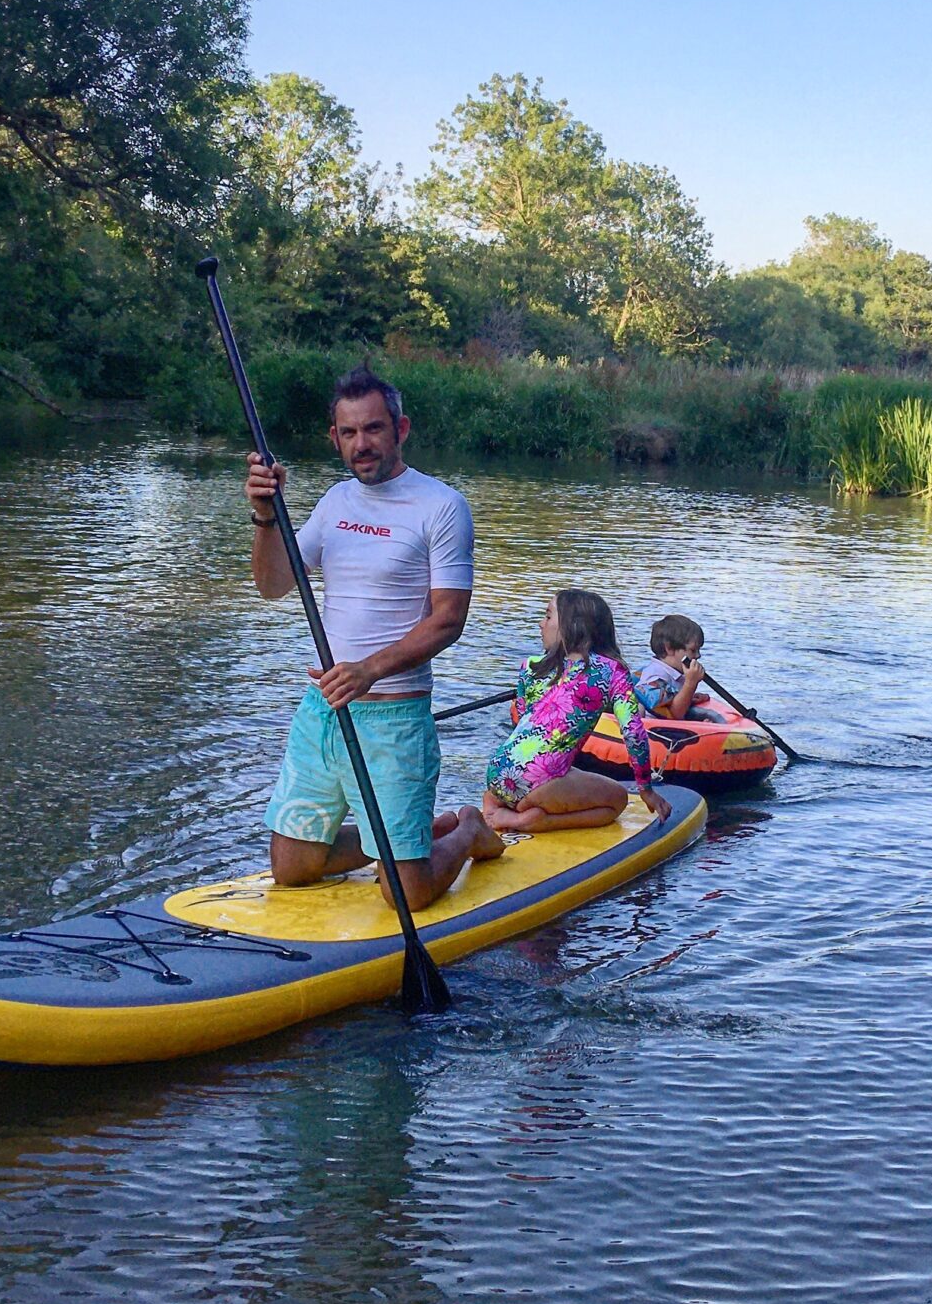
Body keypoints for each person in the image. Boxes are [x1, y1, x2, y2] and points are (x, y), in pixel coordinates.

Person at [246, 365, 503, 909]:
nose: (361, 444)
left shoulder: (441, 506)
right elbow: (272, 585)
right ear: (333, 438)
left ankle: (466, 831)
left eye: (374, 429)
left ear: (401, 429)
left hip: (394, 720)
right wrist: (266, 517)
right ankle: (402, 838)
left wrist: (369, 670)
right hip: (323, 714)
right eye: (348, 433)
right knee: (292, 870)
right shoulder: (335, 503)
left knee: (405, 898)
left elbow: (448, 619)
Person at [460, 588, 666, 834]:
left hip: (498, 770)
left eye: (548, 617)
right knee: (618, 800)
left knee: (563, 769)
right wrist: (646, 789)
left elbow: (523, 719)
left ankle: (498, 800)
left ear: (572, 626)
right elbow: (633, 732)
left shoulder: (531, 666)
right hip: (538, 781)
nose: (540, 624)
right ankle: (531, 820)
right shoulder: (612, 672)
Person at [635, 613, 712, 720]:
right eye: (693, 650)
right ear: (669, 648)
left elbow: (673, 701)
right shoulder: (654, 676)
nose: (698, 655)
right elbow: (674, 714)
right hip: (656, 730)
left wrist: (690, 697)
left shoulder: (674, 673)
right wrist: (690, 684)